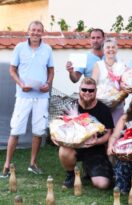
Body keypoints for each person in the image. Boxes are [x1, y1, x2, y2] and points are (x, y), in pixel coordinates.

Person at [1, 20, 54, 177]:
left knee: (38, 131)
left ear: (42, 32)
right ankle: (6, 165)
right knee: (16, 129)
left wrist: (48, 84)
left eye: (39, 30)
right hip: (23, 95)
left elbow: (51, 71)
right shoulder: (19, 47)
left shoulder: (48, 49)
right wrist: (20, 84)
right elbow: (12, 70)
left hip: (41, 96)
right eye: (33, 30)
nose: (36, 32)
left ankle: (32, 163)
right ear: (28, 31)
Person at [56, 77, 114, 189]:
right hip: (75, 146)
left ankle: (91, 169)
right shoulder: (71, 106)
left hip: (95, 148)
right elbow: (59, 127)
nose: (87, 93)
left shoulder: (104, 109)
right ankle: (70, 175)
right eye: (84, 90)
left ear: (96, 92)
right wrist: (56, 137)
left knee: (103, 185)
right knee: (63, 151)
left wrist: (97, 141)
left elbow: (108, 133)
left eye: (91, 90)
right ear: (79, 90)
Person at [91, 38, 127, 124]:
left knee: (116, 131)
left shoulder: (122, 66)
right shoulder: (98, 65)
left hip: (117, 105)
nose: (111, 49)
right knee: (102, 131)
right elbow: (93, 84)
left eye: (113, 47)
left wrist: (119, 96)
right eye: (108, 47)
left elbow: (126, 86)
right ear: (103, 50)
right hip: (101, 105)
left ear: (117, 49)